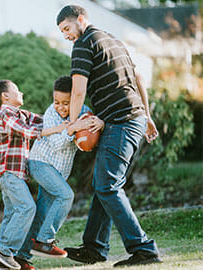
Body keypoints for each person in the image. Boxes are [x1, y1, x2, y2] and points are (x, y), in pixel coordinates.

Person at [56, 5, 161, 267]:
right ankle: (94, 248)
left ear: (81, 20)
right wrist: (146, 115)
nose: (66, 35)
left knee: (107, 185)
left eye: (67, 28)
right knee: (103, 184)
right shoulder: (112, 39)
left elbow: (78, 91)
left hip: (121, 123)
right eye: (62, 32)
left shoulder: (84, 43)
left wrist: (72, 125)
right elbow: (138, 78)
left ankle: (144, 249)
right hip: (129, 120)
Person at [0, 76, 98, 270]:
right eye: (57, 102)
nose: (60, 107)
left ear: (76, 99)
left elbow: (91, 124)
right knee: (63, 196)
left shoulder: (82, 111)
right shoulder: (44, 113)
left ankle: (18, 259)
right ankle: (43, 242)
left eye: (66, 103)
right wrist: (71, 128)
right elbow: (53, 140)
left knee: (38, 213)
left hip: (53, 172)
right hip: (37, 165)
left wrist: (96, 122)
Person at [0, 79, 68, 270]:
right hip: (8, 171)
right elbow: (27, 132)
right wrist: (60, 129)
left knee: (12, 213)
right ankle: (4, 249)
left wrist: (67, 117)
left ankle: (4, 264)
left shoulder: (20, 114)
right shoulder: (6, 114)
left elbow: (44, 120)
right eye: (17, 90)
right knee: (26, 208)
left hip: (15, 173)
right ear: (5, 96)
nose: (21, 92)